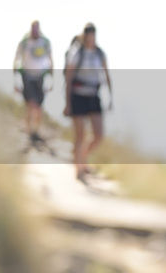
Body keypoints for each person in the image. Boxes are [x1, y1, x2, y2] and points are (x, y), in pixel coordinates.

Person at [63, 22, 113, 180]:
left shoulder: (99, 53)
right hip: (77, 95)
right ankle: (79, 169)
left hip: (93, 94)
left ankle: (81, 158)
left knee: (98, 135)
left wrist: (110, 96)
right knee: (80, 134)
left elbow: (106, 74)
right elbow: (69, 78)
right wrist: (68, 102)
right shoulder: (77, 52)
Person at [13, 20, 53, 144]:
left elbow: (51, 60)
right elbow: (16, 59)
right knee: (31, 104)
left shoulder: (45, 43)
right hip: (27, 76)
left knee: (38, 106)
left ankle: (35, 130)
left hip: (40, 77)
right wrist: (16, 80)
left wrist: (51, 79)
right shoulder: (24, 42)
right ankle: (30, 131)